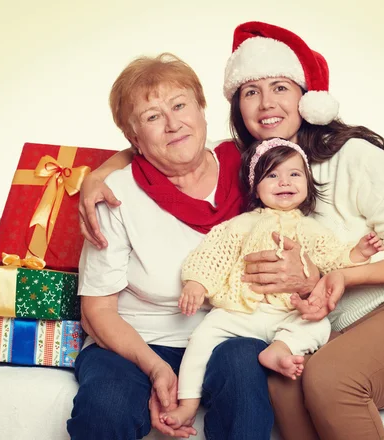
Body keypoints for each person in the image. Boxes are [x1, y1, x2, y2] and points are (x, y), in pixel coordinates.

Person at [77, 21, 384, 440]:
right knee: (279, 382)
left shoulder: (336, 158)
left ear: (307, 98)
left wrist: (336, 274)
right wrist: (97, 174)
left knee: (317, 379)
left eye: (281, 87)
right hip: (304, 328)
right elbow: (163, 147)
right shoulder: (252, 168)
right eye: (250, 91)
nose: (267, 103)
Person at [67, 52, 294, 440]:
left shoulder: (253, 168)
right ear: (134, 139)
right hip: (138, 340)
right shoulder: (116, 195)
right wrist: (155, 368)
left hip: (227, 335)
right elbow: (96, 311)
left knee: (243, 370)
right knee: (104, 408)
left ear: (203, 110)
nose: (173, 124)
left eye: (179, 105)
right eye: (153, 117)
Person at [160, 137, 384, 429]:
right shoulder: (242, 224)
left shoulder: (311, 229)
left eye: (294, 174)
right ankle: (187, 403)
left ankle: (280, 349)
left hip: (287, 314)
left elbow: (333, 263)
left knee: (319, 326)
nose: (284, 182)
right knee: (201, 339)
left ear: (307, 183)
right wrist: (197, 283)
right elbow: (213, 253)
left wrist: (358, 253)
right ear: (255, 185)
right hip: (239, 313)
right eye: (273, 175)